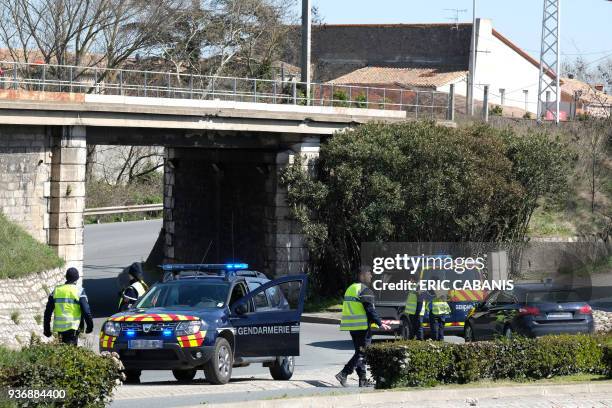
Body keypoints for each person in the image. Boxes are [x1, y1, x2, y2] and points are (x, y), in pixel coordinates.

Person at [336, 266, 391, 388]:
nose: (371, 276)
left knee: (359, 353)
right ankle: (344, 373)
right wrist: (380, 323)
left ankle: (363, 379)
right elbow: (369, 309)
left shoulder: (350, 288)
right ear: (362, 275)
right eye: (369, 274)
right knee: (363, 352)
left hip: (352, 326)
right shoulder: (365, 290)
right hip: (362, 326)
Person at [43, 267, 94, 345]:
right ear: (77, 278)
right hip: (73, 327)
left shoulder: (56, 290)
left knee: (62, 352)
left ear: (66, 277)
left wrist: (47, 329)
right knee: (71, 353)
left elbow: (48, 312)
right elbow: (86, 311)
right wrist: (90, 326)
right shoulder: (79, 291)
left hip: (60, 329)